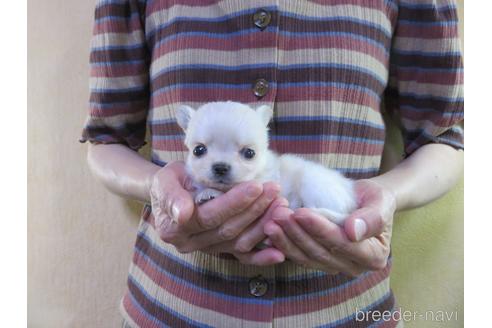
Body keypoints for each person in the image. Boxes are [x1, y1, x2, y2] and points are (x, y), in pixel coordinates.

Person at [81, 0, 464, 326]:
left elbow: (444, 138)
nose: (220, 165)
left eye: (246, 153)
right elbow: (106, 138)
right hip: (170, 305)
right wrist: (157, 188)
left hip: (346, 309)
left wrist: (383, 198)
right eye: (201, 151)